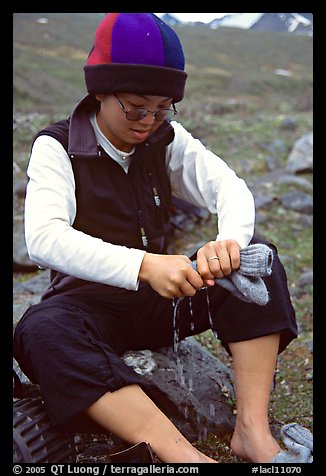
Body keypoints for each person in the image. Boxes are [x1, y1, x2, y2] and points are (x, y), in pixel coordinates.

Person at [13, 13, 298, 464]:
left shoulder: (166, 138)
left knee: (258, 259)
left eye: (162, 107)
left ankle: (252, 434)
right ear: (100, 92)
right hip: (86, 308)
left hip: (161, 300)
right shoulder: (56, 146)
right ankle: (186, 456)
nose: (148, 120)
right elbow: (44, 239)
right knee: (40, 330)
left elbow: (228, 187)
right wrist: (145, 265)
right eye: (136, 106)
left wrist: (229, 243)